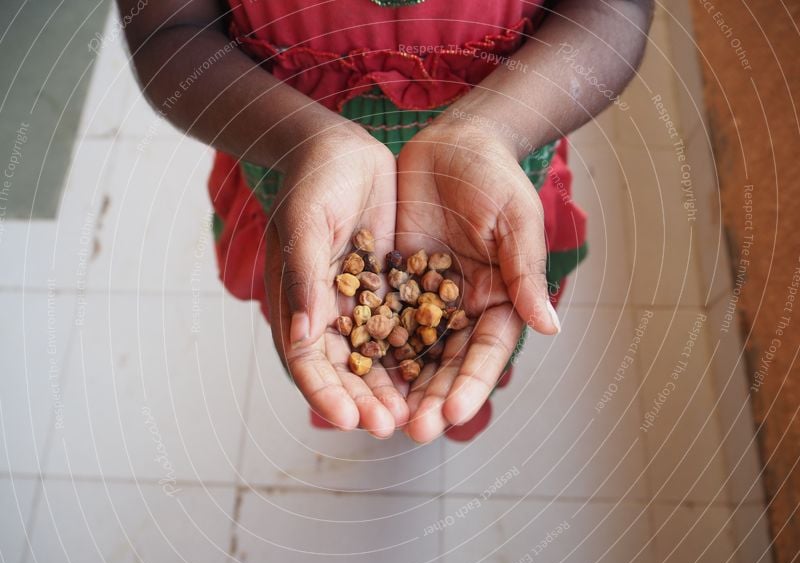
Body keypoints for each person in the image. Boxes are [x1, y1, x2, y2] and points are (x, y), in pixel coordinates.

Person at [119, 0, 653, 443]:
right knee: (317, 313)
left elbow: (614, 10)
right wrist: (310, 144)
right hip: (285, 146)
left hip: (507, 134)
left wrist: (493, 133)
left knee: (470, 336)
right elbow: (169, 34)